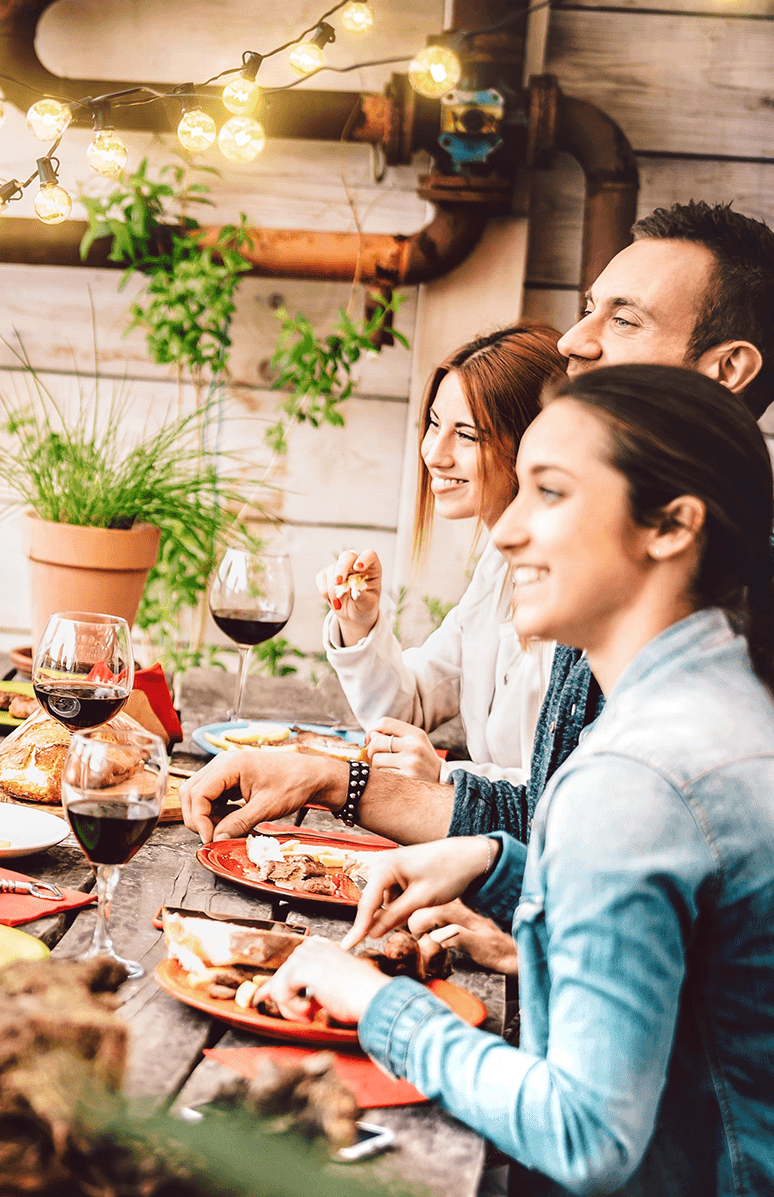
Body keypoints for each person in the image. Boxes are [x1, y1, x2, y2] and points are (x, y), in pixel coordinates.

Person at [264, 365, 774, 1197]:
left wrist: (374, 1003)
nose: (503, 531)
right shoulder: (725, 708)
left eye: (549, 491)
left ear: (670, 526)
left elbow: (583, 1136)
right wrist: (498, 864)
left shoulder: (631, 775)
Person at [182, 200, 774, 849]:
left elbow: (595, 853)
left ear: (729, 370)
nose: (574, 339)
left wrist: (398, 781)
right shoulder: (606, 565)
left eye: (625, 317)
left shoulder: (725, 614)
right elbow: (562, 831)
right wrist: (336, 782)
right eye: (589, 306)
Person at [317, 323, 564, 784]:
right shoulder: (497, 567)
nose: (435, 453)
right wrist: (360, 621)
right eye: (434, 424)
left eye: (467, 436)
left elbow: (555, 794)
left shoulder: (570, 596)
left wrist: (445, 776)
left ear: (531, 446)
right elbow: (408, 708)